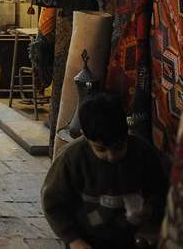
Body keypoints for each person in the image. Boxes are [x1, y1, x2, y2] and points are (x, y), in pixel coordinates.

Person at [41, 93, 167, 249]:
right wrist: (73, 240)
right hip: (87, 239)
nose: (111, 156)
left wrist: (150, 212)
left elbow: (160, 191)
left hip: (132, 239)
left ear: (126, 133)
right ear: (86, 138)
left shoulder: (143, 153)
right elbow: (53, 203)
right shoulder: (72, 158)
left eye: (118, 147)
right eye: (101, 149)